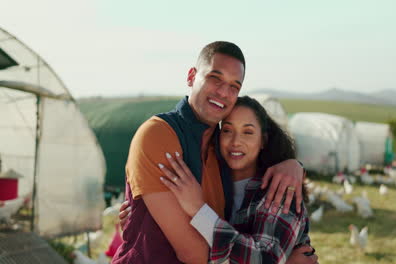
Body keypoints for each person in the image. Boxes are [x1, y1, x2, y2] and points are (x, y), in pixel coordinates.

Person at [112, 41, 308, 264]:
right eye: (215, 78)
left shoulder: (220, 151)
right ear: (191, 76)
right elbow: (193, 254)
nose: (224, 92)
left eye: (234, 86)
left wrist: (293, 164)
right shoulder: (158, 134)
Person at [158, 96, 318, 263]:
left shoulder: (280, 188)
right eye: (227, 130)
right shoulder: (204, 183)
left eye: (247, 132)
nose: (236, 142)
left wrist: (199, 211)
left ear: (263, 140)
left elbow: (264, 259)